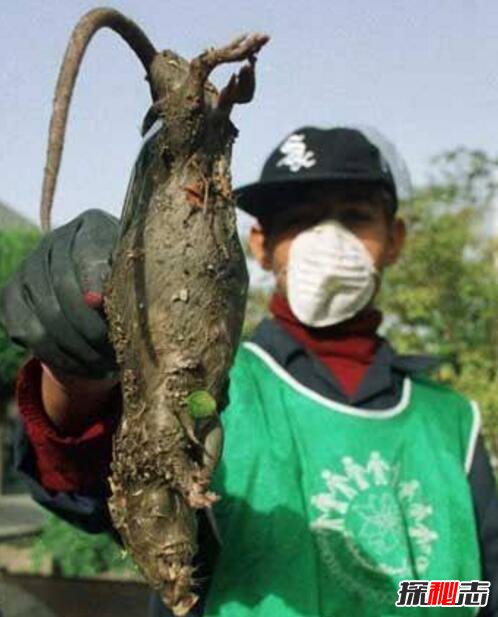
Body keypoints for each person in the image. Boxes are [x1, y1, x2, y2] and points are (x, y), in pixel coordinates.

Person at [3, 126, 498, 616]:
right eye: (301, 221)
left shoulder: (451, 421)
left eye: (355, 217)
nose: (329, 241)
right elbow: (88, 485)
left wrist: (403, 593)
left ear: (394, 239)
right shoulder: (207, 389)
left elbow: (483, 589)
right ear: (260, 245)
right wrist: (76, 372)